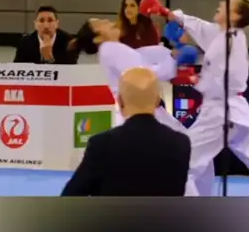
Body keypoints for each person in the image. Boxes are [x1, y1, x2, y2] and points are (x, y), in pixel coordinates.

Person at [146, 0, 249, 196]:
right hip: (235, 114)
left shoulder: (230, 42)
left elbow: (227, 81)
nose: (220, 4)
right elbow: (199, 26)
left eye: (226, 5)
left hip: (221, 115)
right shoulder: (223, 34)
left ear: (235, 16)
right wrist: (169, 13)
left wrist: (193, 79)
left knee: (183, 164)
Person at [61, 67, 191, 196]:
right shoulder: (181, 143)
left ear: (120, 101)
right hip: (164, 211)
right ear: (158, 101)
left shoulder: (102, 144)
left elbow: (70, 196)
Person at [73, 18, 187, 132]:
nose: (107, 21)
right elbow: (144, 76)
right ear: (97, 38)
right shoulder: (110, 48)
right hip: (139, 113)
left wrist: (171, 53)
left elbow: (146, 56)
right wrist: (172, 58)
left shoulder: (114, 50)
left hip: (135, 113)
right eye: (100, 23)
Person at [14, 6, 79, 64]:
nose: (46, 26)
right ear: (35, 24)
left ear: (57, 24)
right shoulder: (25, 42)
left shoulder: (69, 43)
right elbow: (16, 68)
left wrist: (49, 58)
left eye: (50, 20)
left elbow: (68, 71)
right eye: (41, 21)